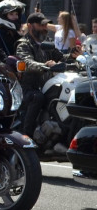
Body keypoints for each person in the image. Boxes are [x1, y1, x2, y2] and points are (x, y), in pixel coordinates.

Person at [15, 12, 66, 140]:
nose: (44, 28)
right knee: (37, 97)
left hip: (45, 85)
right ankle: (26, 137)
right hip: (28, 87)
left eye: (45, 25)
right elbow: (26, 61)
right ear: (30, 26)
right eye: (41, 25)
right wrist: (44, 65)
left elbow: (61, 57)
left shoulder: (47, 43)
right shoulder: (24, 43)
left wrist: (75, 56)